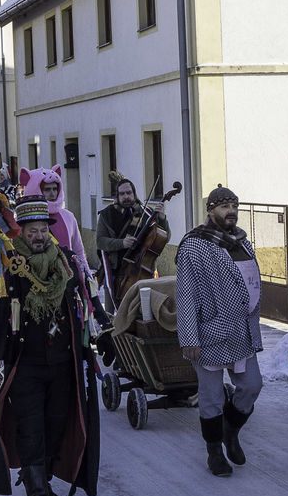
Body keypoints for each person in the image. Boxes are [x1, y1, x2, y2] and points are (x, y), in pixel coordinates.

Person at [0, 196, 100, 496]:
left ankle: (41, 480)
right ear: (21, 233)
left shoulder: (67, 265)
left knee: (55, 427)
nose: (39, 236)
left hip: (63, 367)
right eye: (32, 231)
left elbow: (83, 304)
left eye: (44, 229)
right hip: (25, 366)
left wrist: (99, 329)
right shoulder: (10, 268)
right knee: (31, 431)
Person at [175, 185, 263, 477]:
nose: (231, 211)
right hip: (210, 333)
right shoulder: (194, 245)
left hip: (242, 331)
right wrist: (189, 338)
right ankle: (214, 451)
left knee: (251, 385)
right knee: (211, 396)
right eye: (224, 206)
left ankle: (230, 431)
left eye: (234, 206)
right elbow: (186, 294)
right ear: (210, 211)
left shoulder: (242, 242)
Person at [95, 175, 169, 305]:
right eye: (122, 194)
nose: (126, 196)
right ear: (117, 196)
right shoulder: (106, 215)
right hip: (114, 271)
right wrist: (121, 243)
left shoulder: (146, 213)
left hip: (141, 271)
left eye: (129, 193)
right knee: (112, 312)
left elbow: (164, 237)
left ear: (134, 194)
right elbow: (100, 241)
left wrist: (162, 218)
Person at [19, 166, 88, 278]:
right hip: (37, 280)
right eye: (47, 189)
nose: (52, 193)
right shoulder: (25, 220)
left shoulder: (68, 216)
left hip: (68, 278)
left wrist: (87, 277)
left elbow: (78, 251)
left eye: (55, 189)